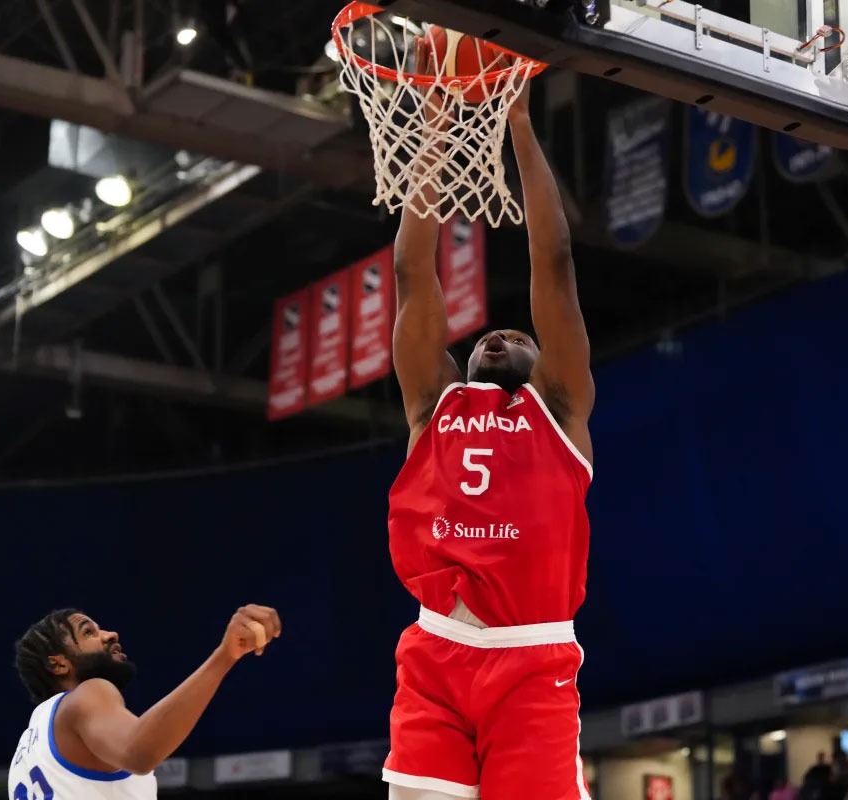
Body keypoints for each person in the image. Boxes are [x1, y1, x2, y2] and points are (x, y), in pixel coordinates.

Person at [383, 69, 596, 800]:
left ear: (545, 367)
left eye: (518, 335)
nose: (501, 332)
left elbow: (555, 265)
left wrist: (521, 127)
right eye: (488, 335)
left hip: (531, 662)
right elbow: (413, 273)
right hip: (436, 655)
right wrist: (435, 126)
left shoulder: (559, 411)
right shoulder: (431, 406)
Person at [8, 605, 280, 799]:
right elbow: (139, 753)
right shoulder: (87, 694)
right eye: (89, 632)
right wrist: (225, 657)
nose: (110, 634)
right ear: (58, 663)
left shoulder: (27, 748)